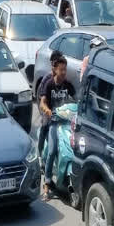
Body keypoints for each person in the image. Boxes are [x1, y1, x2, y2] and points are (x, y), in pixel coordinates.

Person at [39, 56, 75, 201]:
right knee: (53, 150)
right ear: (55, 69)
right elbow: (42, 102)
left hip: (66, 122)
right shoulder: (49, 85)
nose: (64, 72)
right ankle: (47, 183)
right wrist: (47, 110)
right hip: (54, 122)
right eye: (61, 69)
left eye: (65, 69)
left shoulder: (68, 85)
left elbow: (76, 99)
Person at [36, 50, 64, 157]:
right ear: (52, 63)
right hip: (47, 107)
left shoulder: (62, 77)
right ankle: (39, 153)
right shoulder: (47, 78)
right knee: (45, 126)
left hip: (58, 109)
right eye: (57, 62)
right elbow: (41, 98)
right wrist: (46, 110)